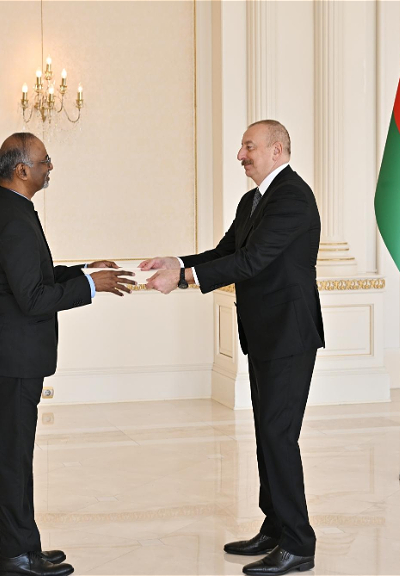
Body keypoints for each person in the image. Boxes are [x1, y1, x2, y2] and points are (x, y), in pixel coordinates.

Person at [141, 120, 324, 575]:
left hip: (289, 335)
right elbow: (226, 252)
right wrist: (178, 261)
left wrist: (183, 279)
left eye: (249, 146)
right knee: (267, 434)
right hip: (263, 334)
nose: (241, 155)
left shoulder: (293, 197)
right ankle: (275, 526)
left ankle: (299, 544)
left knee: (279, 436)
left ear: (277, 150)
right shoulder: (252, 201)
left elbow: (253, 260)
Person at [0, 133, 135, 576]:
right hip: (14, 355)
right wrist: (90, 287)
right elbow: (33, 298)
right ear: (21, 170)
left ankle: (20, 545)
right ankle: (16, 556)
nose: (50, 168)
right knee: (13, 457)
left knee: (16, 455)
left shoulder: (11, 210)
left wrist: (85, 271)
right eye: (45, 161)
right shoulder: (11, 218)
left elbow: (36, 276)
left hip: (14, 353)